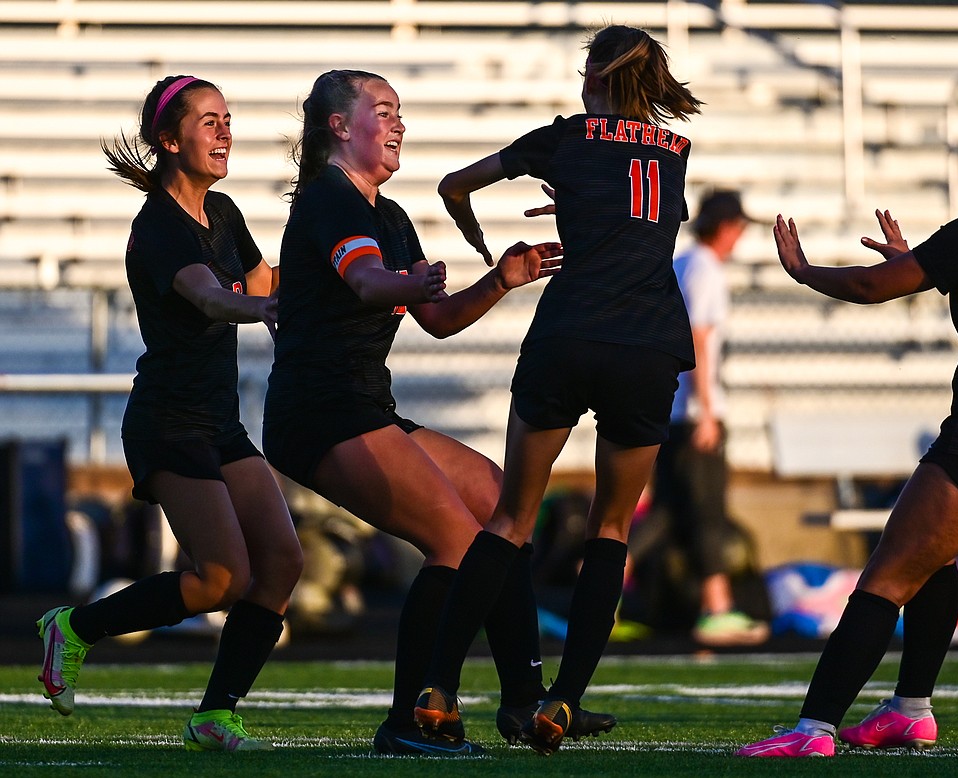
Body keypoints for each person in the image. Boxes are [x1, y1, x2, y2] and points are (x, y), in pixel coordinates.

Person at [737, 76, 958, 759]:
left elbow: (873, 288)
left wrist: (808, 272)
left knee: (887, 576)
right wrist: (921, 265)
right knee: (932, 557)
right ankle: (909, 710)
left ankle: (813, 729)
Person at [261, 69, 598, 758]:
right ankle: (406, 722)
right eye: (382, 111)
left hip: (361, 406)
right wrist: (404, 281)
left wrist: (500, 281)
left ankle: (521, 701)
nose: (398, 124)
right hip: (319, 412)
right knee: (458, 543)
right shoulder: (329, 199)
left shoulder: (387, 213)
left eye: (400, 113)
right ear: (338, 126)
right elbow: (364, 281)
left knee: (506, 507)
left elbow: (438, 318)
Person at [412, 24, 702, 755]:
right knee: (612, 529)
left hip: (568, 333)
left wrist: (477, 238)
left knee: (511, 519)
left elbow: (455, 186)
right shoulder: (676, 152)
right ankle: (563, 701)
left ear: (598, 74)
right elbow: (652, 222)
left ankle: (439, 686)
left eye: (585, 68)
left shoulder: (563, 138)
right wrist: (587, 210)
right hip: (647, 343)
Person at [37, 75, 301, 752]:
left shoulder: (226, 211)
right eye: (208, 121)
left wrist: (335, 286)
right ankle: (74, 629)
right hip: (167, 421)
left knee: (280, 563)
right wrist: (266, 308)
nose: (224, 131)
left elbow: (263, 280)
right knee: (222, 578)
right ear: (168, 139)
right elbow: (213, 297)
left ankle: (216, 714)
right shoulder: (156, 226)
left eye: (228, 119)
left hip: (217, 420)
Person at [653, 189, 768, 647]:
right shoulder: (704, 268)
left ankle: (599, 581)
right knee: (707, 509)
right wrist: (706, 412)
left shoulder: (684, 263)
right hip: (692, 409)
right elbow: (699, 338)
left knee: (668, 512)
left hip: (673, 408)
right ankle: (716, 607)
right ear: (725, 227)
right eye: (738, 227)